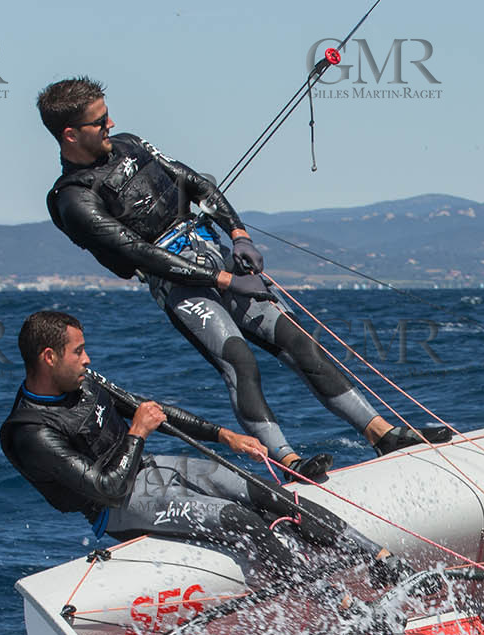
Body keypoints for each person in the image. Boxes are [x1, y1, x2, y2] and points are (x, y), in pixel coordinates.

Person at [34, 76, 450, 476]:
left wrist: (239, 235)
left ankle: (383, 435)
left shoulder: (129, 144)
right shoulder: (73, 199)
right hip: (180, 286)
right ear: (70, 134)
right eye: (100, 120)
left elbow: (195, 183)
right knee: (240, 362)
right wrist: (226, 282)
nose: (111, 124)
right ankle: (287, 464)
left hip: (218, 257)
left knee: (299, 344)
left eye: (108, 115)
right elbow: (138, 253)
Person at [0, 310, 401, 587]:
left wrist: (225, 436)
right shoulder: (31, 431)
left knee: (266, 492)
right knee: (238, 517)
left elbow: (156, 412)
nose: (87, 360)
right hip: (117, 508)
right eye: (78, 352)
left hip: (151, 467)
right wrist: (137, 434)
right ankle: (330, 600)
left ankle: (378, 559)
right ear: (49, 358)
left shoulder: (83, 382)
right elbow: (108, 489)